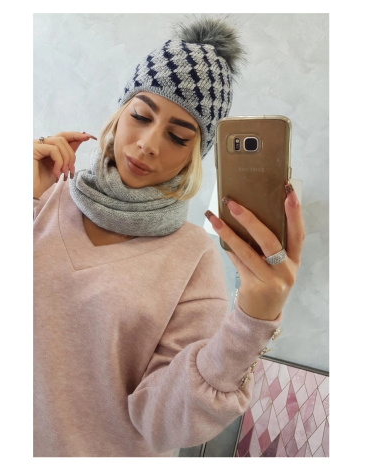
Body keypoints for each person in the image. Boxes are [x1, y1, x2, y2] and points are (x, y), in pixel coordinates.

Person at [33, 16, 305, 457]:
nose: (147, 143)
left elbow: (164, 422)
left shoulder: (193, 256)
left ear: (194, 157)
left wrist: (252, 322)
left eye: (178, 137)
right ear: (120, 113)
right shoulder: (44, 202)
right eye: (141, 115)